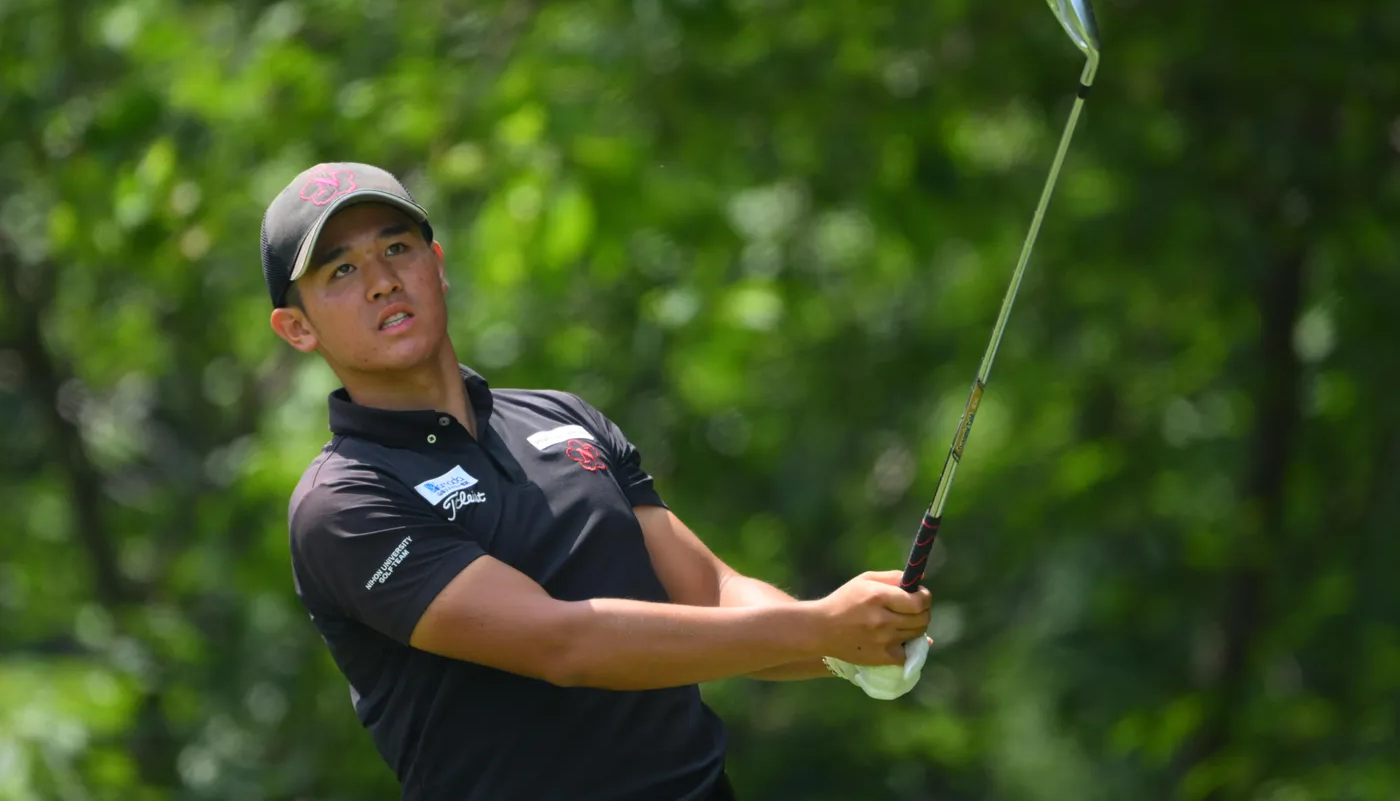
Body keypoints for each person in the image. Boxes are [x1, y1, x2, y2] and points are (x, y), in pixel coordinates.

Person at [260, 162, 933, 800]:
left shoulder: (561, 417)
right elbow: (564, 643)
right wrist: (819, 629)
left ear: (436, 265)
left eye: (396, 248)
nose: (381, 281)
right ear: (297, 328)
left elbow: (713, 592)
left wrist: (850, 645)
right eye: (341, 269)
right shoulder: (344, 501)